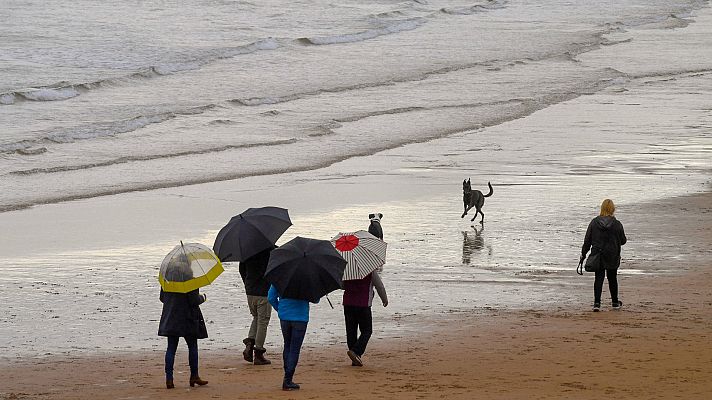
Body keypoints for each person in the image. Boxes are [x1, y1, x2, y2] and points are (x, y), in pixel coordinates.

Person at [268, 285, 318, 391]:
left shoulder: (280, 277)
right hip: (300, 317)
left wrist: (280, 309)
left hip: (285, 316)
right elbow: (315, 299)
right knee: (295, 349)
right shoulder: (308, 280)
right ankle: (288, 378)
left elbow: (271, 298)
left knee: (287, 345)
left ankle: (287, 376)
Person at [581, 199, 627, 312]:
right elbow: (623, 241)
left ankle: (597, 303)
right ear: (612, 209)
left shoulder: (594, 222)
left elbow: (587, 240)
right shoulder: (617, 224)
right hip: (612, 254)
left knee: (599, 278)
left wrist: (583, 254)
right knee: (612, 278)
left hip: (598, 254)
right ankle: (615, 302)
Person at [239, 245, 276, 365]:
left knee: (256, 317)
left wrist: (247, 283)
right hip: (263, 292)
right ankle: (258, 353)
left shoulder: (246, 251)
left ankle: (250, 343)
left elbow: (241, 269)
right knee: (263, 322)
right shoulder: (271, 250)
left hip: (250, 291)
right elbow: (276, 268)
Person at [343, 270, 388, 366]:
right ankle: (356, 352)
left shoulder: (347, 269)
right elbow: (379, 286)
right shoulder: (370, 270)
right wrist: (384, 299)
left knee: (351, 331)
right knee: (367, 330)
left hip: (348, 303)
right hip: (363, 304)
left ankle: (354, 357)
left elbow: (342, 286)